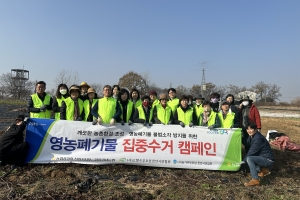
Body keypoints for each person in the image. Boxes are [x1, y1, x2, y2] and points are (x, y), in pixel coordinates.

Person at [243, 122, 274, 187]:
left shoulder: (258, 139)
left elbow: (251, 152)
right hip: (262, 158)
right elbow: (246, 142)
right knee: (247, 164)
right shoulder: (252, 136)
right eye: (247, 129)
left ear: (256, 129)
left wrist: (242, 161)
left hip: (267, 159)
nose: (249, 131)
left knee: (249, 159)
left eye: (251, 129)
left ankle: (255, 180)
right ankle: (263, 170)